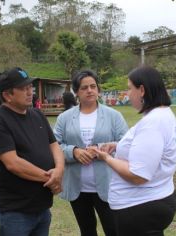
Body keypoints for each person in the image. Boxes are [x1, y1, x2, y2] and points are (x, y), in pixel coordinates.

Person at [90, 66, 176, 236]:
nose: (127, 93)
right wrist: (117, 146)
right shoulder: (162, 114)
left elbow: (138, 175)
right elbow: (151, 149)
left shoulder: (153, 122)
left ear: (142, 90)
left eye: (129, 88)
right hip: (152, 200)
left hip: (141, 207)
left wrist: (106, 158)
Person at [0, 67, 65, 236]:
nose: (30, 92)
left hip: (42, 208)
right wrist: (52, 179)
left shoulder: (37, 115)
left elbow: (54, 145)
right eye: (23, 88)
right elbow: (13, 164)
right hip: (16, 212)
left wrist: (59, 170)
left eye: (30, 87)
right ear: (7, 95)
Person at [53, 69, 128, 236]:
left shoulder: (113, 116)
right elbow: (53, 146)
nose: (89, 90)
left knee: (114, 230)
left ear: (98, 89)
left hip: (109, 185)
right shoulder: (64, 118)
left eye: (93, 86)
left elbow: (127, 144)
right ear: (76, 92)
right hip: (78, 187)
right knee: (86, 230)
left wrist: (103, 148)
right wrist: (74, 152)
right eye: (84, 87)